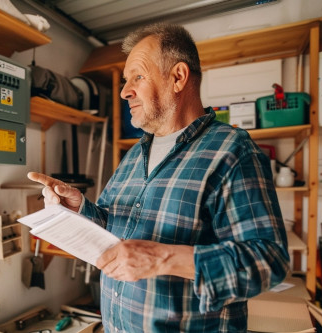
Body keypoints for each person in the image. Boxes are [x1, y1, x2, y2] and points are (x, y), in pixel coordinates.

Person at [28, 22, 289, 332]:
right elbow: (115, 233)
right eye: (126, 81)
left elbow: (268, 261)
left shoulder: (232, 152)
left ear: (178, 77)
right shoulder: (134, 155)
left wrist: (164, 258)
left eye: (138, 77)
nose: (125, 92)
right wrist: (80, 210)